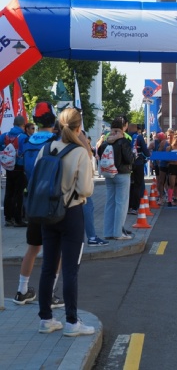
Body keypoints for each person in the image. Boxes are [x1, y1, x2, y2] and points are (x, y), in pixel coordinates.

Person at [37, 108, 95, 336]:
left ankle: (45, 319)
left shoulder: (46, 148)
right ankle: (72, 322)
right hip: (71, 213)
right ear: (79, 128)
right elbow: (86, 189)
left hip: (47, 212)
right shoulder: (80, 152)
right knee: (70, 270)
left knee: (48, 267)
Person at [13, 102, 63, 307]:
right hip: (51, 200)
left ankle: (22, 291)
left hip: (32, 199)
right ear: (54, 118)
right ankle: (49, 294)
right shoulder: (56, 141)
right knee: (55, 250)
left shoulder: (26, 140)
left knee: (32, 247)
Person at [98, 117, 135, 241]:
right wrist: (134, 155)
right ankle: (118, 233)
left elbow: (99, 153)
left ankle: (108, 232)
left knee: (110, 203)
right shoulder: (123, 141)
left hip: (109, 174)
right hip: (122, 174)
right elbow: (129, 159)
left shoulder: (106, 141)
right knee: (121, 204)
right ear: (123, 127)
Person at [0, 115, 28, 227]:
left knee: (9, 192)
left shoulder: (4, 135)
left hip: (9, 167)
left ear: (13, 124)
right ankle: (18, 219)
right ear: (23, 125)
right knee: (19, 193)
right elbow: (26, 152)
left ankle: (8, 218)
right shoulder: (23, 137)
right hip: (20, 167)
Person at [128, 123, 150, 214]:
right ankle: (135, 207)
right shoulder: (139, 137)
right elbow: (146, 151)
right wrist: (148, 154)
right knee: (138, 185)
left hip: (128, 164)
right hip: (138, 163)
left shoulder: (126, 137)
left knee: (130, 185)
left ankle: (128, 206)